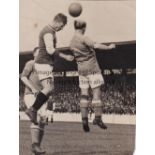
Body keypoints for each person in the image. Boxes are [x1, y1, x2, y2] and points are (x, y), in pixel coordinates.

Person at [25, 13, 74, 124]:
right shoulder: (48, 32)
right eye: (62, 26)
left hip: (44, 63)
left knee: (49, 89)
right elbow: (50, 50)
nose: (61, 29)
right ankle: (32, 109)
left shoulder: (50, 31)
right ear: (58, 22)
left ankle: (33, 109)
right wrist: (65, 56)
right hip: (43, 63)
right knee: (48, 88)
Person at [70, 20, 116, 132]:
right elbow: (96, 45)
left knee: (84, 94)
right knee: (96, 93)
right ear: (84, 28)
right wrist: (109, 47)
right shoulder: (84, 38)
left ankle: (84, 119)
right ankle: (98, 118)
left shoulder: (72, 42)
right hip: (92, 69)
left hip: (81, 71)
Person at [21, 47, 47, 154]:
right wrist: (32, 88)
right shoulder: (31, 63)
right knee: (36, 117)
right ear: (34, 54)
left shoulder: (45, 67)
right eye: (39, 52)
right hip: (31, 94)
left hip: (42, 97)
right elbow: (23, 77)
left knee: (42, 122)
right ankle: (35, 146)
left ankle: (37, 148)